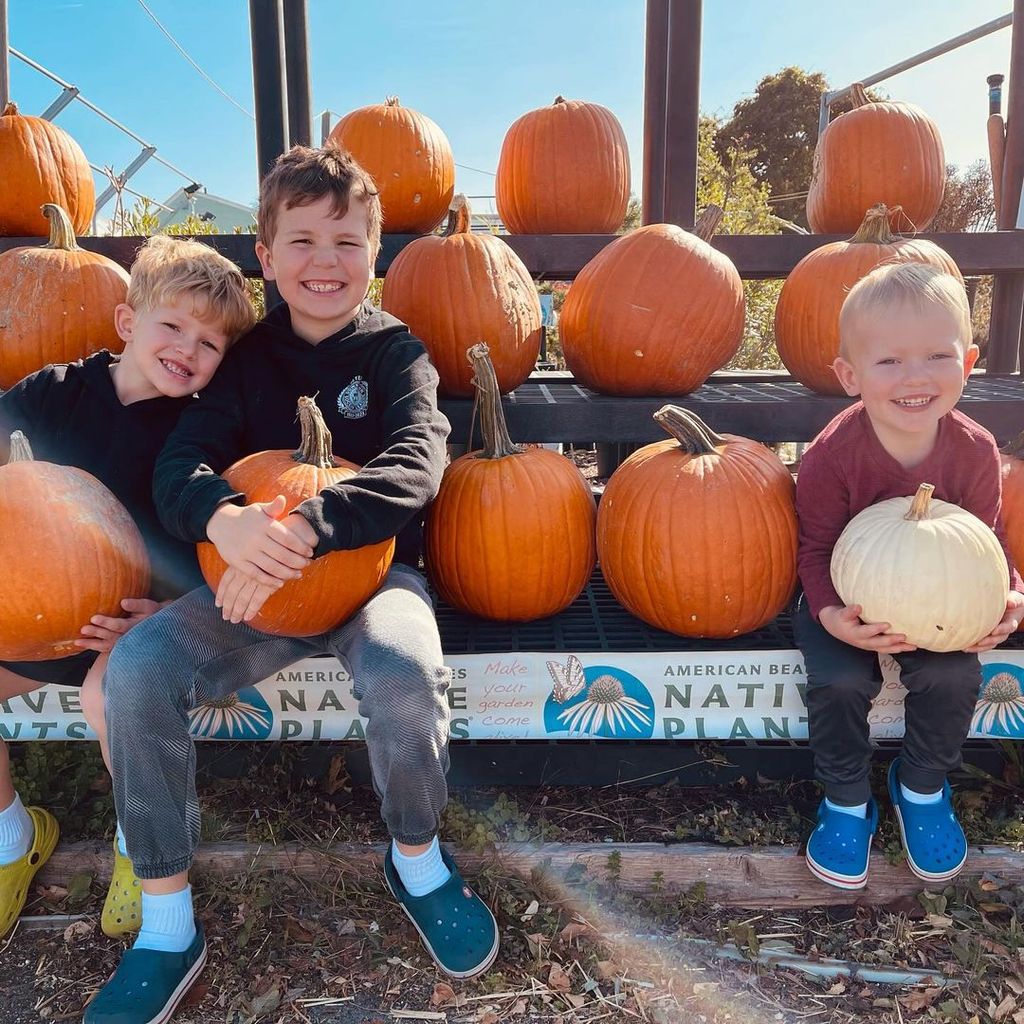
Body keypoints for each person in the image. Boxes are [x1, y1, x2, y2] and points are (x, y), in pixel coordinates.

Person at [84, 145, 499, 1024]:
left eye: (346, 242)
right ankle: (166, 923)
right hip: (252, 593)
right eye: (302, 240)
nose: (324, 261)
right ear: (266, 256)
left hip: (376, 580)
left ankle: (417, 857)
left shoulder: (394, 354)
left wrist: (314, 525)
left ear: (374, 254)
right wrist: (227, 522)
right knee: (141, 669)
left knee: (402, 676)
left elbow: (419, 460)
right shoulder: (244, 362)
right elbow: (181, 464)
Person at [0, 235, 254, 937]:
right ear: (126, 323)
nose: (186, 348)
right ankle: (11, 842)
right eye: (172, 325)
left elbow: (211, 542)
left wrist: (166, 612)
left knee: (107, 693)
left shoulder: (201, 434)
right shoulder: (52, 396)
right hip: (39, 611)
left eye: (209, 343)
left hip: (139, 626)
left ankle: (138, 846)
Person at [795, 261, 1024, 891]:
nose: (915, 377)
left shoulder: (976, 452)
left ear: (969, 362)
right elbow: (813, 550)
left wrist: (1009, 594)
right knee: (840, 681)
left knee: (953, 673)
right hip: (847, 601)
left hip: (944, 605)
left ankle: (920, 783)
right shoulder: (831, 456)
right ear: (849, 375)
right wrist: (830, 615)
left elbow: (988, 542)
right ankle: (846, 797)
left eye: (936, 356)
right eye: (889, 362)